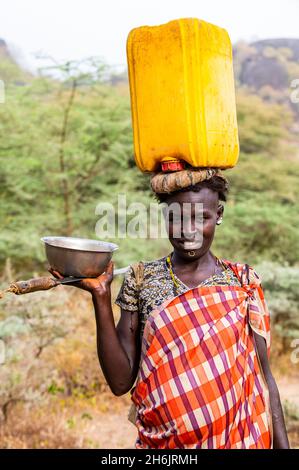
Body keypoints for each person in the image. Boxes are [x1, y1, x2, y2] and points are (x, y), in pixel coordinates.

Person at [50, 171, 289, 449]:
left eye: (201, 218)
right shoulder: (142, 279)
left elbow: (264, 379)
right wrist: (101, 298)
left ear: (219, 214)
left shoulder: (241, 282)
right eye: (176, 218)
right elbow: (119, 382)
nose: (189, 231)